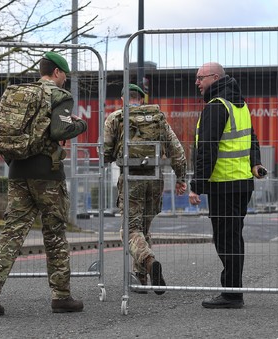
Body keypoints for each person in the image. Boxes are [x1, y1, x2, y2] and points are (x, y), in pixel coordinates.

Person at [0, 52, 87, 316]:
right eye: (65, 75)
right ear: (58, 73)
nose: (65, 80)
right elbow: (59, 131)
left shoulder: (20, 94)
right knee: (54, 234)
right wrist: (80, 125)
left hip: (17, 171)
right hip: (47, 174)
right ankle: (61, 296)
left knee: (12, 232)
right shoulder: (59, 96)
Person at [189, 62, 265, 309]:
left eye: (200, 78)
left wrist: (196, 185)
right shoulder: (239, 104)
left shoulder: (217, 107)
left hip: (225, 184)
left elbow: (207, 150)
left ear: (214, 78)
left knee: (225, 240)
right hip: (242, 182)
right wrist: (256, 163)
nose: (197, 83)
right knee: (232, 237)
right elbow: (252, 138)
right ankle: (232, 289)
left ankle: (232, 293)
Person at [103, 83, 187, 294]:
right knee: (145, 228)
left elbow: (105, 151)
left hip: (131, 179)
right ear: (141, 99)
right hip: (155, 178)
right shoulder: (158, 118)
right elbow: (176, 149)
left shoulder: (116, 117)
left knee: (130, 230)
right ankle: (141, 277)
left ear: (123, 99)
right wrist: (181, 178)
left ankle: (149, 261)